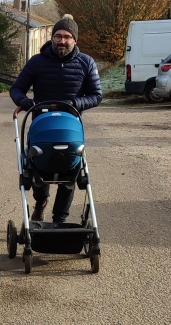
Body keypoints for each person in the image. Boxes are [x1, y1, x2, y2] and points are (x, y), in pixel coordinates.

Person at [9, 16, 102, 223]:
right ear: (52, 38)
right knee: (38, 170)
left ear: (75, 39)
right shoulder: (37, 62)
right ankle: (41, 201)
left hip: (70, 127)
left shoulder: (86, 63)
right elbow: (17, 88)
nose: (62, 41)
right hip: (42, 126)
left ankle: (60, 218)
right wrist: (24, 101)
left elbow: (96, 95)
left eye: (67, 37)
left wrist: (75, 103)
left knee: (70, 172)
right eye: (58, 36)